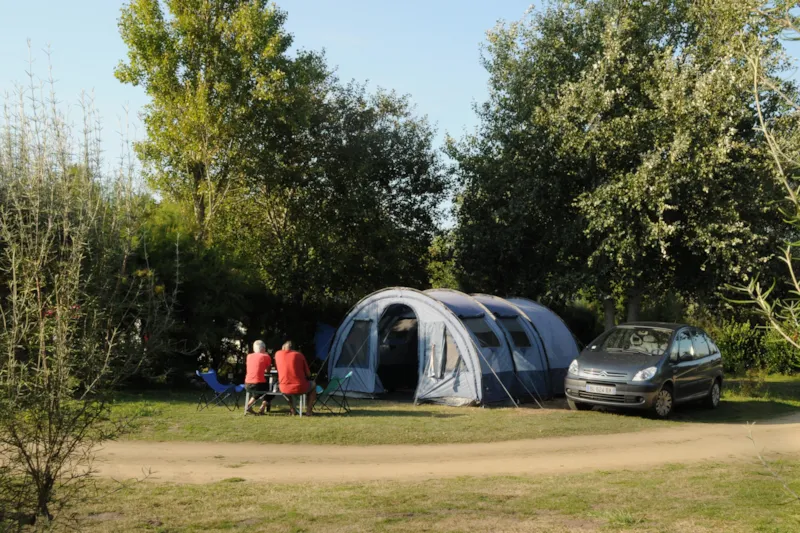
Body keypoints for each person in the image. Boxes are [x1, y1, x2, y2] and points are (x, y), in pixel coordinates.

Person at [274, 341, 316, 416]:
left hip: (283, 388)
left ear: (283, 348)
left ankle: (292, 410)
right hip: (300, 387)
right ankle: (309, 411)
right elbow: (308, 374)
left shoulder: (278, 354)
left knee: (288, 391)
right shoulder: (299, 355)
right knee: (313, 385)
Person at [245, 340, 272, 415]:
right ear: (263, 348)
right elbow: (268, 371)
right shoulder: (266, 356)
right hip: (258, 384)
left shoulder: (249, 356)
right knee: (272, 389)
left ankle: (249, 405)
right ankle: (262, 407)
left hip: (247, 384)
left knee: (260, 389)